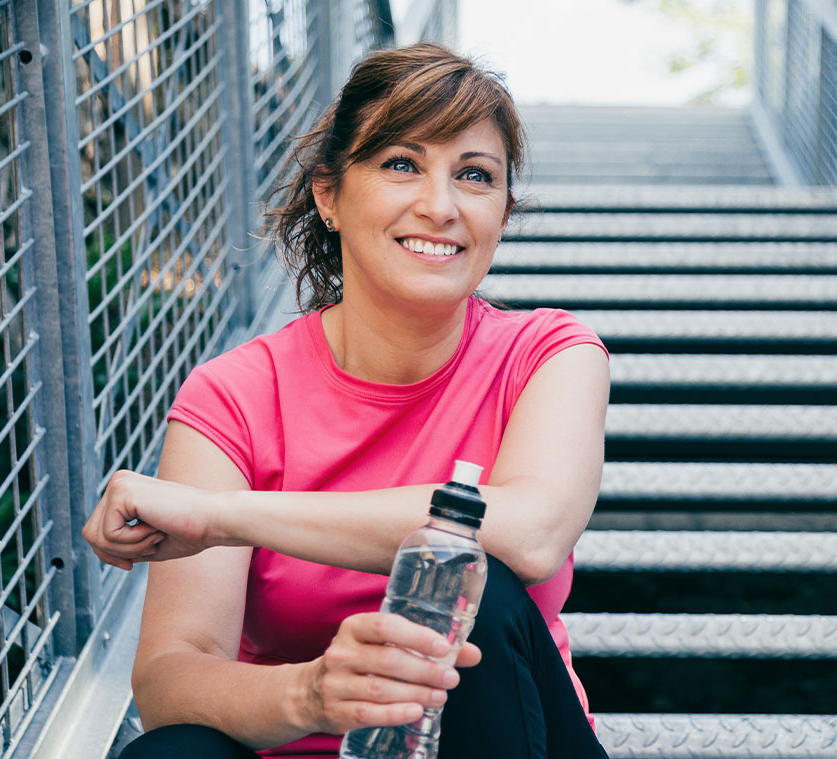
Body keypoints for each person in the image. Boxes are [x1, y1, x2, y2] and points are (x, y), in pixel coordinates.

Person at [81, 43, 611, 759]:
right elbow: (170, 683)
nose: (439, 204)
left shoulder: (548, 353)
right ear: (328, 194)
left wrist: (223, 515)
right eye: (401, 163)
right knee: (167, 754)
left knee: (473, 588)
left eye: (475, 176)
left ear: (502, 215)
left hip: (501, 737)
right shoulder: (236, 394)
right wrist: (310, 693)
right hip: (302, 747)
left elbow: (528, 531)